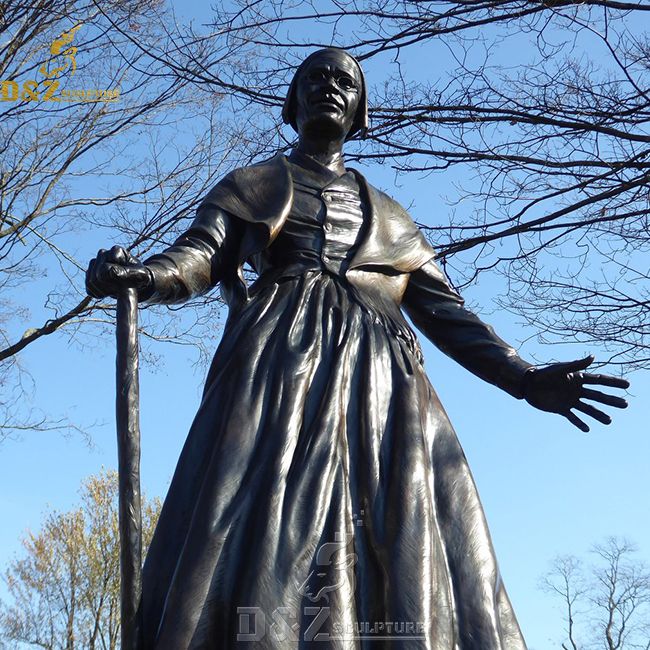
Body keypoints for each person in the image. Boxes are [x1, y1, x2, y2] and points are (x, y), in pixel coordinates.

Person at [86, 48, 629, 649]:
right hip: (279, 372)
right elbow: (201, 255)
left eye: (345, 80)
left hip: (384, 392)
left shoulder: (392, 219)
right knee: (259, 521)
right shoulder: (254, 185)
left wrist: (523, 379)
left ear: (360, 110)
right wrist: (146, 277)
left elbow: (449, 315)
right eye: (314, 78)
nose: (330, 86)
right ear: (291, 104)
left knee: (401, 530)